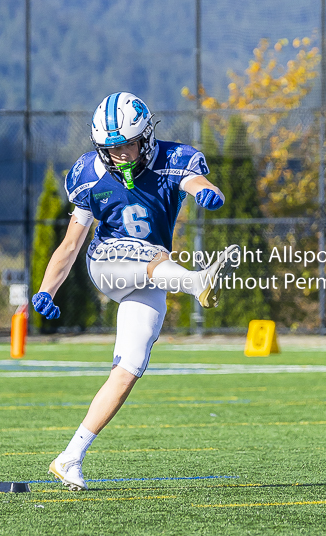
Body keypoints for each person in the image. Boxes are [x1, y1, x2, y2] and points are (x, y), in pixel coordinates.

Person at [31, 91, 240, 491]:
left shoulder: (174, 158)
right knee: (150, 254)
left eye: (127, 144)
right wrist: (46, 289)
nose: (120, 155)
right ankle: (196, 281)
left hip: (152, 275)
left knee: (129, 368)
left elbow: (193, 179)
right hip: (107, 263)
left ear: (146, 136)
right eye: (111, 148)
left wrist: (204, 191)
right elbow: (72, 243)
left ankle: (70, 456)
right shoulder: (88, 173)